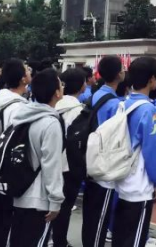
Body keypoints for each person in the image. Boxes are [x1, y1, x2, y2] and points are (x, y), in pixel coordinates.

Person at [8, 69, 66, 247]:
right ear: (56, 92)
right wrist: (56, 200)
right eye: (60, 84)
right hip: (40, 198)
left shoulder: (23, 116)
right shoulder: (50, 123)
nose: (62, 87)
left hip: (20, 191)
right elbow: (51, 164)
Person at [112, 58, 156, 247]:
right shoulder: (148, 109)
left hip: (121, 178)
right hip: (139, 184)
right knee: (136, 238)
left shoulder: (122, 104)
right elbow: (152, 150)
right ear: (152, 79)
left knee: (121, 235)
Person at [0, 59, 31, 247]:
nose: (30, 73)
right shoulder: (18, 107)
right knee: (5, 222)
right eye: (27, 70)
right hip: (6, 170)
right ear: (22, 79)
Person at [81, 55, 125, 247]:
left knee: (90, 215)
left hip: (89, 160)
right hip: (104, 164)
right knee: (101, 218)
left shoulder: (96, 95)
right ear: (118, 74)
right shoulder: (115, 103)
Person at [53, 68, 88, 247]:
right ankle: (60, 241)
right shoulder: (78, 111)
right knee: (65, 207)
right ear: (81, 85)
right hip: (70, 166)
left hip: (52, 163)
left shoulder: (54, 105)